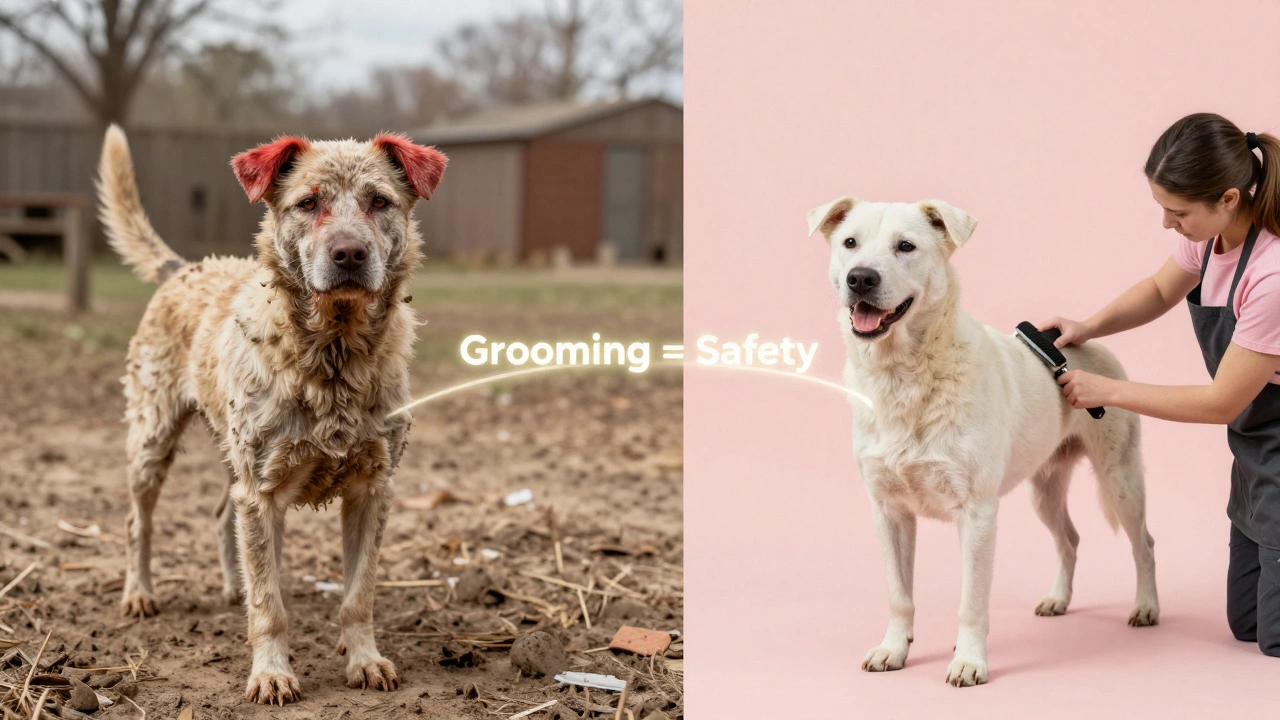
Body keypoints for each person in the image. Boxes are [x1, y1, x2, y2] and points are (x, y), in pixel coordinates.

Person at [1041, 113, 1280, 656]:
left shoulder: (1271, 276)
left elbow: (1220, 402)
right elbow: (1157, 290)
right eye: (1162, 208)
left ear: (1228, 198)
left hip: (1269, 435)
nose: (1167, 224)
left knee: (1275, 639)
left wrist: (1109, 391)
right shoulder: (1214, 239)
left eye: (1178, 212)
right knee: (1247, 624)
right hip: (1254, 449)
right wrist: (1088, 326)